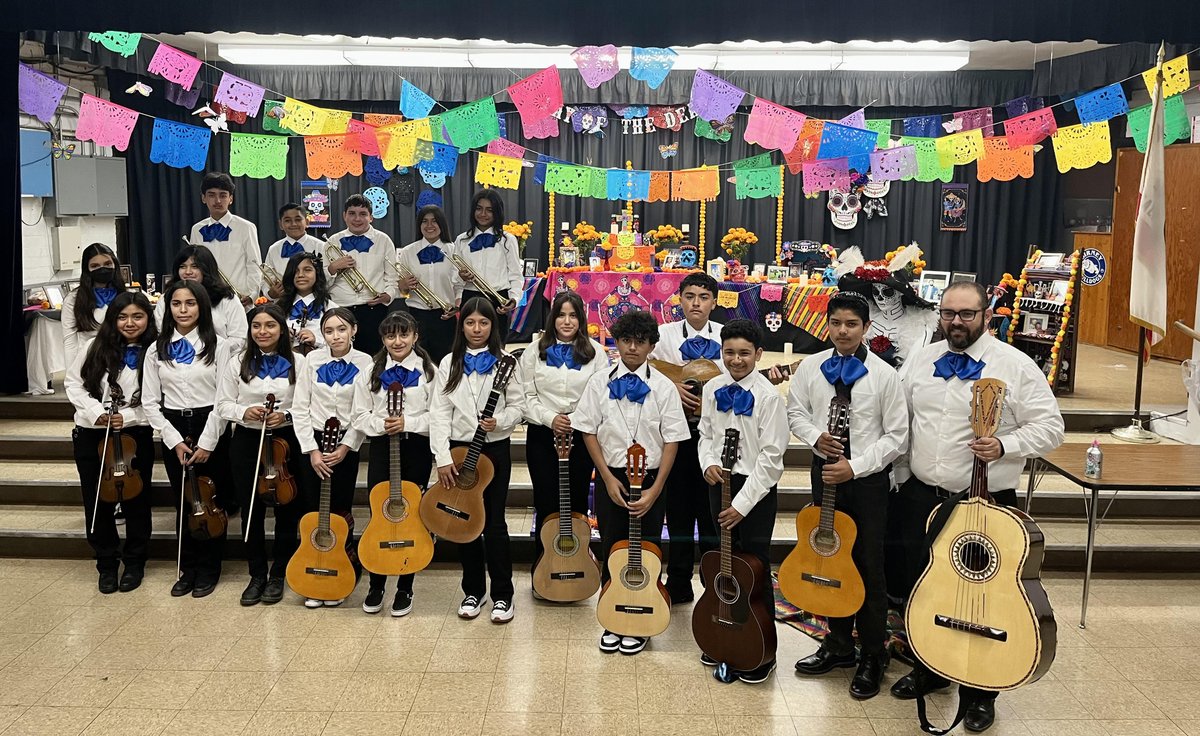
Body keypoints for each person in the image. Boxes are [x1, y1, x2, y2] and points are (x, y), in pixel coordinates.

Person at [889, 282, 1065, 733]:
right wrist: (904, 474)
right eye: (948, 313)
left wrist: (1006, 443)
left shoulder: (1014, 365)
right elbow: (904, 422)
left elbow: (1051, 429)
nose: (956, 322)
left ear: (987, 316)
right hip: (921, 498)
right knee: (921, 588)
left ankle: (980, 693)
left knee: (983, 597)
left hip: (985, 502)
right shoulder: (922, 360)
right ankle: (930, 668)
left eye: (966, 314)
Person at [788, 292, 909, 699]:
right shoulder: (810, 368)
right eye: (836, 323)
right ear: (827, 324)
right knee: (829, 553)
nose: (843, 331)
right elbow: (796, 413)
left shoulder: (885, 376)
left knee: (867, 563)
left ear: (866, 329)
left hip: (868, 479)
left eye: (852, 325)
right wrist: (814, 439)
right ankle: (839, 642)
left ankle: (874, 652)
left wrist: (855, 467)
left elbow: (897, 436)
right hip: (825, 469)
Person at [574, 309, 690, 655]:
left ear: (652, 345)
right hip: (613, 476)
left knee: (649, 548)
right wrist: (605, 478)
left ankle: (642, 615)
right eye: (626, 341)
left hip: (651, 478)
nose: (633, 349)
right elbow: (588, 430)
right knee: (611, 545)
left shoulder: (665, 388)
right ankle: (613, 616)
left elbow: (673, 440)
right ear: (617, 342)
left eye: (641, 342)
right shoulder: (599, 382)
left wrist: (656, 490)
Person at [697, 319, 789, 684]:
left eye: (744, 353)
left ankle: (761, 647)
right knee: (722, 558)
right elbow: (705, 433)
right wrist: (707, 463)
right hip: (719, 483)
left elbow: (771, 459)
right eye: (729, 353)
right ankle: (722, 631)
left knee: (754, 566)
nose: (736, 360)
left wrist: (742, 505)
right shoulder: (713, 387)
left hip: (755, 491)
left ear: (759, 355)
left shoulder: (768, 397)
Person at [431, 297, 525, 624]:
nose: (476, 329)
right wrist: (442, 458)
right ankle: (473, 590)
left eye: (483, 323)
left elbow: (519, 406)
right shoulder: (449, 362)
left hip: (494, 450)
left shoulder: (506, 361)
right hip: (458, 451)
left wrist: (499, 421)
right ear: (462, 325)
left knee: (495, 524)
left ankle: (503, 594)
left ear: (492, 326)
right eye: (470, 323)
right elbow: (439, 413)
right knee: (463, 521)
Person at [141, 280, 231, 598]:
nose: (183, 310)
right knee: (185, 501)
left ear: (201, 307)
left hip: (210, 424)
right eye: (176, 304)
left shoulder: (219, 345)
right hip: (174, 426)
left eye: (190, 303)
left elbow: (224, 398)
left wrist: (207, 442)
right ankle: (187, 567)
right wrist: (173, 440)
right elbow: (150, 402)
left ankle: (209, 568)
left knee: (210, 500)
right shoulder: (156, 348)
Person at [216, 303, 310, 607]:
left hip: (286, 440)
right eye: (256, 326)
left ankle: (280, 572)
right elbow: (222, 405)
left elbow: (308, 405)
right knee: (251, 509)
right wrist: (246, 411)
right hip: (247, 441)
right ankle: (256, 574)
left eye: (269, 325)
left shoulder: (300, 362)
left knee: (287, 508)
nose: (262, 331)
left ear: (281, 329)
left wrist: (286, 416)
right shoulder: (236, 363)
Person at [64, 291, 158, 594]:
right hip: (92, 433)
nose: (130, 323)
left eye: (137, 316)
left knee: (136, 500)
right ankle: (105, 563)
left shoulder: (157, 352)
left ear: (148, 318)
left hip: (134, 434)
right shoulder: (93, 346)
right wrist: (96, 413)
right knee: (97, 500)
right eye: (122, 316)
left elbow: (160, 399)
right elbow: (73, 384)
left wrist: (128, 416)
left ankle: (134, 562)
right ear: (112, 319)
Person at [519, 292, 608, 585]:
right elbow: (525, 396)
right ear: (552, 318)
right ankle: (544, 570)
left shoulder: (596, 353)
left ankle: (576, 565)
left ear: (581, 318)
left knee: (578, 502)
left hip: (581, 435)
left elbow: (601, 397)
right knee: (545, 501)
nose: (567, 321)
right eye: (561, 315)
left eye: (572, 315)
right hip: (543, 433)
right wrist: (550, 418)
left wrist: (576, 420)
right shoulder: (534, 351)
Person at [352, 311, 437, 617]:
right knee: (381, 512)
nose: (397, 341)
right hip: (381, 447)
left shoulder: (429, 371)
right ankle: (376, 584)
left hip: (415, 448)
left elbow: (437, 416)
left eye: (404, 335)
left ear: (415, 336)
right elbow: (358, 415)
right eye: (390, 336)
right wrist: (381, 424)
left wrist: (408, 422)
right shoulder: (371, 372)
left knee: (409, 515)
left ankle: (405, 586)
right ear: (383, 339)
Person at [290, 307, 373, 608]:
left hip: (344, 446)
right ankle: (313, 572)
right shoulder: (312, 360)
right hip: (313, 442)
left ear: (354, 330)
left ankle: (341, 569)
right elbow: (300, 407)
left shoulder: (365, 362)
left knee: (340, 509)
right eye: (328, 331)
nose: (335, 336)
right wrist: (311, 450)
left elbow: (363, 410)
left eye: (341, 329)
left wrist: (346, 447)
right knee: (312, 509)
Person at [649, 272, 724, 603]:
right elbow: (644, 369)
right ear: (678, 300)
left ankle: (713, 582)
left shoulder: (726, 335)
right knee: (677, 511)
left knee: (711, 514)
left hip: (714, 437)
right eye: (690, 296)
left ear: (715, 302)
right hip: (675, 436)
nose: (696, 302)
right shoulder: (662, 335)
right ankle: (678, 580)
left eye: (704, 297)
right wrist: (672, 387)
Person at [325, 194, 396, 357]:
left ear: (371, 217)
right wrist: (333, 268)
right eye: (352, 213)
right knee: (340, 357)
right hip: (340, 310)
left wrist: (387, 296)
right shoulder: (332, 242)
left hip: (373, 311)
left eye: (363, 214)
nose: (357, 218)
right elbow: (322, 284)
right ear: (344, 216)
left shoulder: (383, 240)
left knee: (375, 358)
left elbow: (392, 278)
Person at [452, 190, 523, 341]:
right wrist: (460, 280)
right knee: (468, 345)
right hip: (470, 297)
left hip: (498, 298)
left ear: (497, 212)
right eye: (479, 208)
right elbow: (454, 275)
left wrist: (514, 299)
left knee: (496, 345)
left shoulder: (507, 240)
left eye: (489, 210)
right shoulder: (461, 240)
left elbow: (516, 275)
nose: (483, 214)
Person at [396, 205, 461, 362]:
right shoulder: (407, 252)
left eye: (434, 221)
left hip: (446, 317)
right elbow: (400, 288)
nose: (429, 225)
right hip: (417, 315)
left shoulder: (454, 250)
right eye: (425, 221)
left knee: (446, 362)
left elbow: (460, 284)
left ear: (442, 224)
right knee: (419, 362)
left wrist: (457, 304)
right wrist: (403, 285)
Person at [155, 245, 248, 353]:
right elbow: (162, 333)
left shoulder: (227, 299)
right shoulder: (166, 298)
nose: (188, 272)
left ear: (207, 269)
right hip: (176, 360)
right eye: (183, 266)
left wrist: (206, 351)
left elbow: (239, 339)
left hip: (220, 360)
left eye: (195, 266)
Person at [188, 172, 262, 304]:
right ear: (203, 198)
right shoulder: (197, 229)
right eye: (211, 195)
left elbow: (254, 264)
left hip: (239, 300)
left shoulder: (246, 227)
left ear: (231, 198)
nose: (217, 201)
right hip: (207, 298)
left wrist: (252, 295)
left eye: (223, 195)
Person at [62, 243, 127, 355]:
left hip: (122, 357)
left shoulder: (126, 294)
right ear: (87, 269)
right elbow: (69, 341)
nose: (102, 269)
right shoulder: (74, 299)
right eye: (95, 266)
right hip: (90, 358)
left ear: (115, 265)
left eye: (107, 264)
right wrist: (72, 371)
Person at [275, 252, 338, 355]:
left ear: (317, 273)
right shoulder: (278, 309)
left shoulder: (331, 309)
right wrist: (282, 337)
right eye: (296, 271)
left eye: (307, 270)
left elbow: (342, 344)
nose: (300, 275)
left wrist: (316, 340)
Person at [263, 203, 324, 299]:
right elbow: (266, 279)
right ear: (281, 225)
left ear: (307, 222)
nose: (293, 224)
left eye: (298, 219)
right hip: (283, 303)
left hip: (315, 301)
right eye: (287, 220)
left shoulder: (321, 246)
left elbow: (327, 278)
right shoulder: (274, 249)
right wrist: (270, 294)